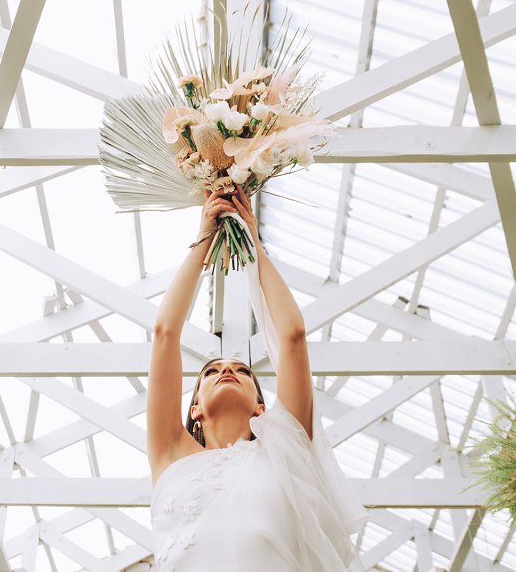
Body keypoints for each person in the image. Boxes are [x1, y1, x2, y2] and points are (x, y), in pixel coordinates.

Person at [147, 187, 366, 572]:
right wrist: (203, 238)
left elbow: (292, 335)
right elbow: (165, 332)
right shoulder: (170, 452)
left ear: (262, 407)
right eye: (210, 372)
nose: (227, 369)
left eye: (243, 370)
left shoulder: (285, 448)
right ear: (194, 408)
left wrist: (252, 244)